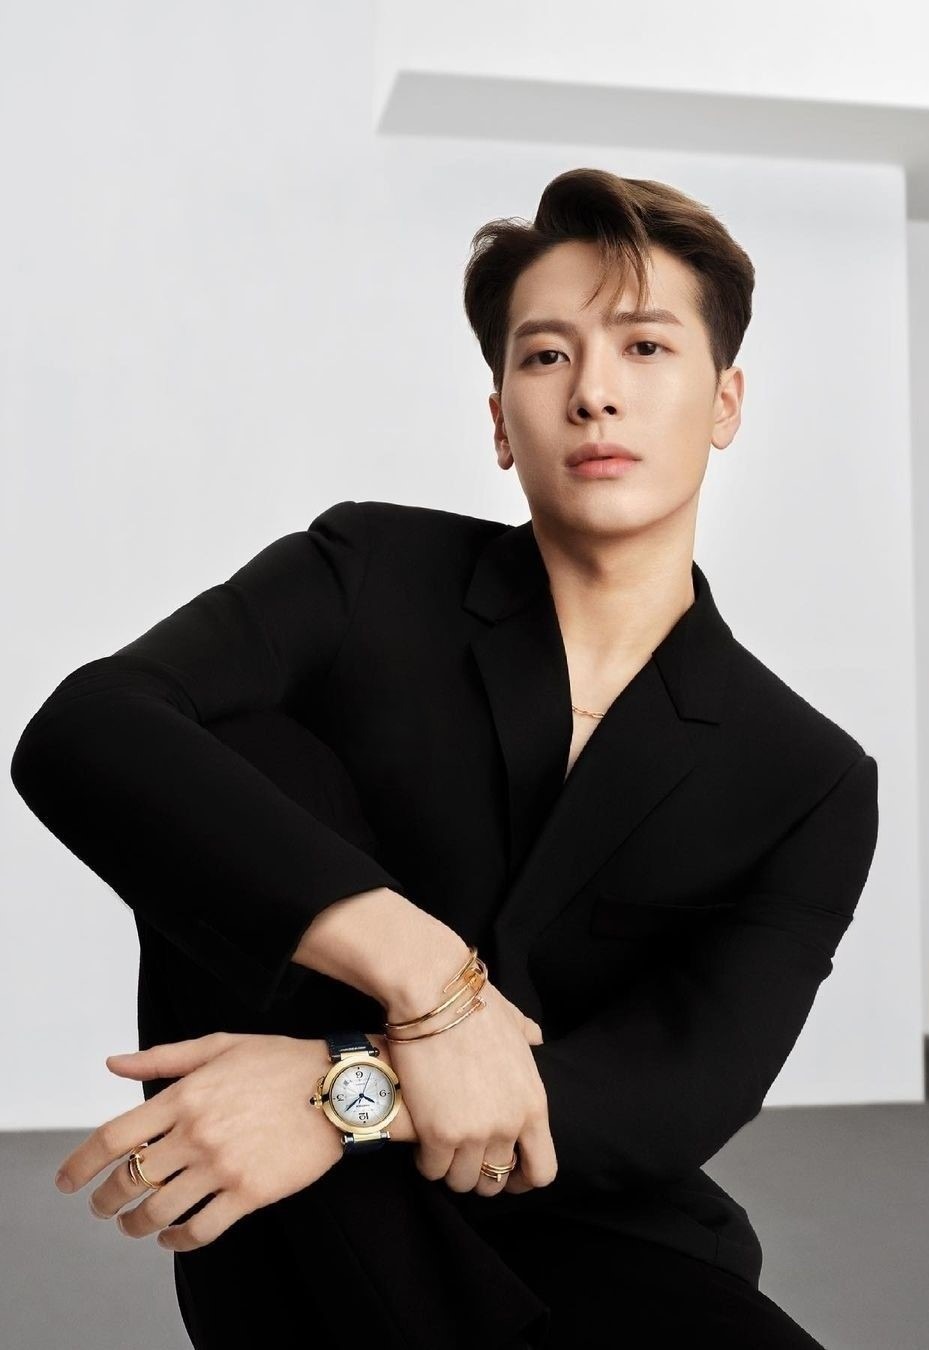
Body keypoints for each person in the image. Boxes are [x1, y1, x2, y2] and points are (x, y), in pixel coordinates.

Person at [10, 167, 878, 1349]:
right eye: (547, 355)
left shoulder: (807, 776)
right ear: (500, 422)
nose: (596, 395)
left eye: (645, 348)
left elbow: (679, 1094)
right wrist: (429, 981)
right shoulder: (367, 574)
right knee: (238, 742)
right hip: (303, 1224)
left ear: (725, 401)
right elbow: (87, 729)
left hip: (593, 1227)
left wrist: (341, 1094)